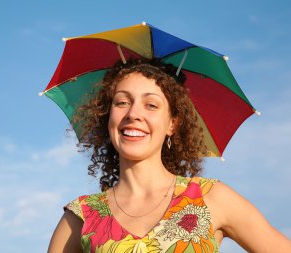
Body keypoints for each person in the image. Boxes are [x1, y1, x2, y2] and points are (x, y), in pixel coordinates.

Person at [48, 58, 291, 253]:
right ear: (106, 116)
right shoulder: (81, 216)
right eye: (121, 102)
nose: (133, 114)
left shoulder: (211, 198)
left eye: (151, 105)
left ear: (173, 124)